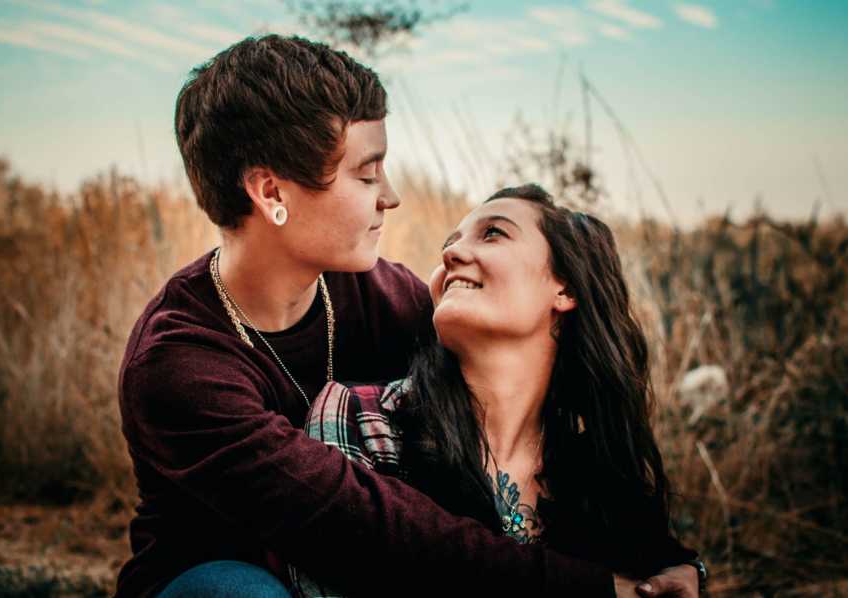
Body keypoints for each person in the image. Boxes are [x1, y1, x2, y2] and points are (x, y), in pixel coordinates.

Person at [116, 34, 699, 597]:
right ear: (272, 195)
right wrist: (589, 589)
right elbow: (361, 527)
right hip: (220, 574)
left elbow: (538, 402)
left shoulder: (387, 299)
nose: (388, 196)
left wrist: (661, 561)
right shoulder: (176, 364)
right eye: (367, 174)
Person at [296, 184, 705, 598]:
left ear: (565, 289)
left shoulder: (597, 474)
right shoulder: (363, 417)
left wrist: (685, 572)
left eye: (493, 233)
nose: (450, 255)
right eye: (449, 243)